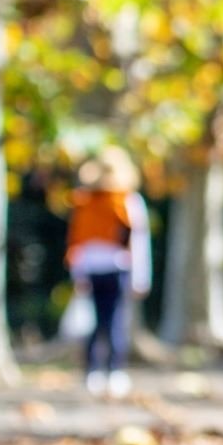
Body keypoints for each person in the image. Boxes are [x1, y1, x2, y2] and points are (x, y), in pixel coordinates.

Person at [66, 147, 151, 399]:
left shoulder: (102, 201)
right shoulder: (110, 201)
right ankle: (105, 371)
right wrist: (141, 277)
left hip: (104, 268)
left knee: (106, 321)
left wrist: (78, 273)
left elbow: (78, 242)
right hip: (111, 268)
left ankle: (105, 371)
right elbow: (80, 240)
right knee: (109, 321)